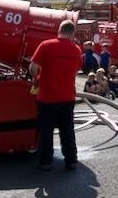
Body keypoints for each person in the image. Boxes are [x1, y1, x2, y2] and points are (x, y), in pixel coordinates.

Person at [29, 20, 82, 171]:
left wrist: (37, 80)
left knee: (46, 131)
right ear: (72, 33)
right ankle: (71, 161)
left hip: (47, 97)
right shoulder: (76, 50)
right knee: (67, 130)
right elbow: (76, 71)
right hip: (67, 96)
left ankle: (45, 162)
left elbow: (33, 68)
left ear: (59, 30)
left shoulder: (46, 45)